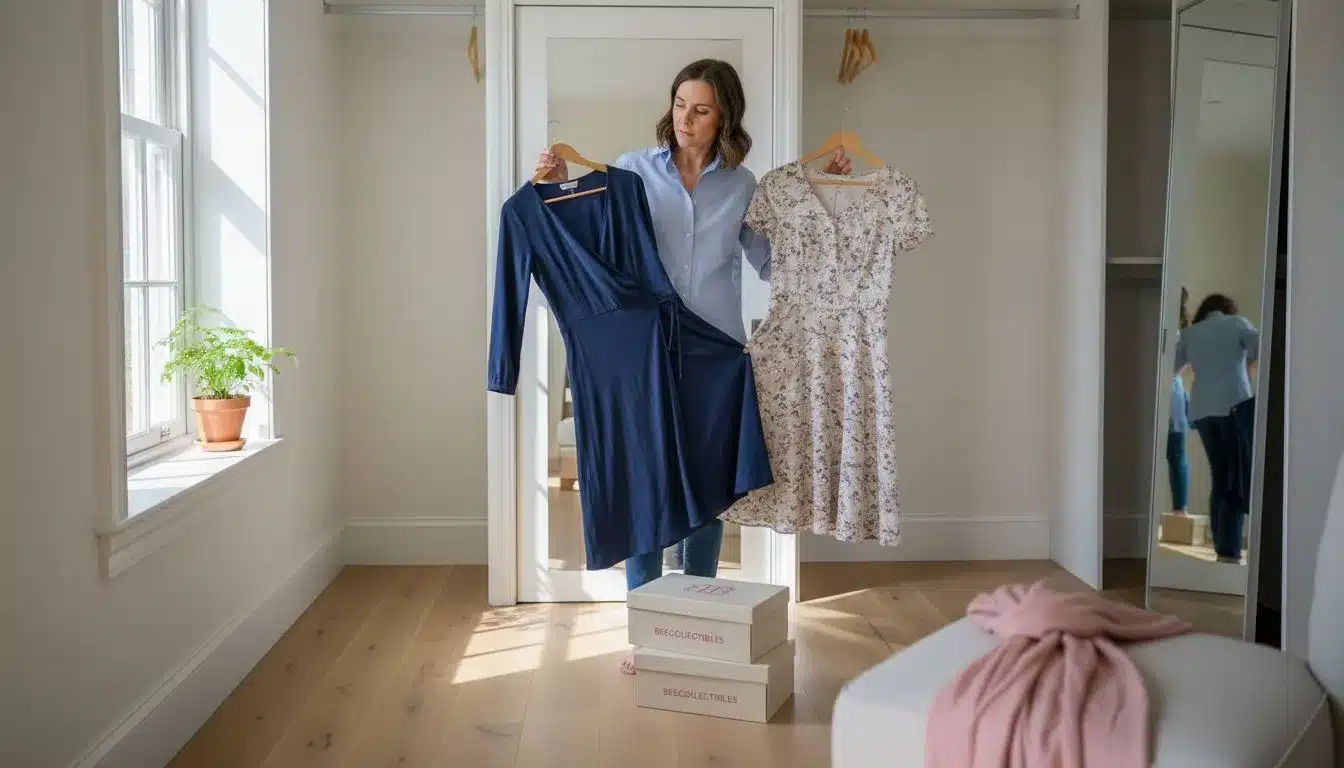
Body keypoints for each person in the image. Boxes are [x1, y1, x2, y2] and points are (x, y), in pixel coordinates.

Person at [534, 59, 850, 673]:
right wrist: (556, 184)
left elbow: (771, 261)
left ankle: (698, 625)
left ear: (724, 114)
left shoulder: (743, 185)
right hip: (644, 351)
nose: (686, 118)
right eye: (680, 104)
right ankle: (647, 636)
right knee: (645, 488)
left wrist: (825, 202)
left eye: (701, 108)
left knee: (708, 497)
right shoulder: (629, 172)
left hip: (716, 354)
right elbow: (592, 247)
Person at [1173, 292, 1260, 563]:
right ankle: (1229, 550)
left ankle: (1221, 545)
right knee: (1235, 478)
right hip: (1233, 407)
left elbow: (1173, 367)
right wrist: (1244, 369)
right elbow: (1261, 348)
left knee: (1220, 476)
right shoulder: (1237, 324)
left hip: (1202, 410)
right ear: (1227, 308)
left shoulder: (1192, 333)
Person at [1168, 287, 1191, 515]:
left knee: (1176, 455)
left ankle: (1180, 511)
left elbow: (1182, 365)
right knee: (1176, 455)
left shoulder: (1184, 332)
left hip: (1174, 395)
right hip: (1171, 393)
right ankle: (1179, 511)